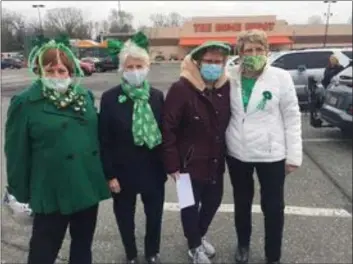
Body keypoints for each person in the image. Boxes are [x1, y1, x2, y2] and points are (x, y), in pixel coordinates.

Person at [4, 35, 111, 264]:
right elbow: (16, 154)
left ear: (71, 73)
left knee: (83, 247)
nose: (56, 76)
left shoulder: (84, 96)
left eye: (62, 71)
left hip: (85, 186)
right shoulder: (25, 103)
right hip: (51, 190)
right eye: (50, 71)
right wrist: (18, 193)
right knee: (43, 251)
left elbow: (96, 139)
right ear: (40, 72)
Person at [226, 29, 302, 264]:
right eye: (248, 50)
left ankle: (273, 254)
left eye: (259, 49)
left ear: (267, 51)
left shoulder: (280, 77)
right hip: (238, 151)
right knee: (241, 202)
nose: (254, 54)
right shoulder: (229, 77)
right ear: (240, 53)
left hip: (271, 154)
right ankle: (243, 245)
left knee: (273, 207)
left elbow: (292, 116)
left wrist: (294, 155)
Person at [99, 32, 166, 264]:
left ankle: (151, 251)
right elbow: (104, 140)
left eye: (139, 65)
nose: (135, 70)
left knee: (154, 215)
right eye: (130, 66)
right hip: (123, 172)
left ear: (147, 67)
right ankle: (130, 253)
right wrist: (110, 175)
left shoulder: (157, 97)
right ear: (122, 69)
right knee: (125, 217)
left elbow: (165, 134)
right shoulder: (109, 98)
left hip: (153, 170)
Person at [162, 42, 231, 264]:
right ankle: (194, 247)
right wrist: (172, 164)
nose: (213, 66)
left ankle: (197, 237)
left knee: (213, 201)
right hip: (185, 164)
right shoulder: (181, 89)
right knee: (188, 206)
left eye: (218, 62)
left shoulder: (225, 88)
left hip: (215, 161)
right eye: (209, 61)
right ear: (198, 62)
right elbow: (168, 128)